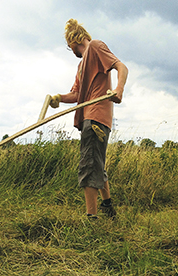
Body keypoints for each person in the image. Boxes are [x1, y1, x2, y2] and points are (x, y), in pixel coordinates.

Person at [49, 19, 128, 220]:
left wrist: (119, 89)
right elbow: (76, 94)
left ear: (74, 40)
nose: (71, 50)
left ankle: (91, 219)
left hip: (95, 117)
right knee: (97, 163)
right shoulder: (81, 65)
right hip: (91, 116)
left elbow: (121, 67)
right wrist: (59, 97)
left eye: (69, 46)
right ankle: (108, 207)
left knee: (89, 165)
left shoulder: (95, 47)